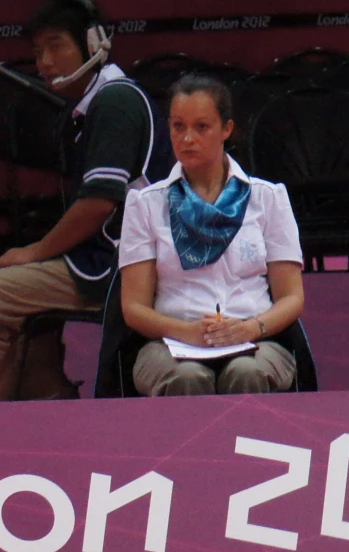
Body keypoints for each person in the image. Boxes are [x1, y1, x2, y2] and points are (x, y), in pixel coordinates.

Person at [0, 0, 160, 404]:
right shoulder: (97, 102)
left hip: (120, 265)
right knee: (24, 305)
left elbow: (99, 203)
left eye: (56, 46)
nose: (44, 61)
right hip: (114, 256)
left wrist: (35, 252)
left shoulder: (114, 102)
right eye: (37, 50)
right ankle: (46, 402)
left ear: (95, 44)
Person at [118, 73, 305, 395]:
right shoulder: (145, 204)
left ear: (227, 129)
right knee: (188, 378)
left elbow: (291, 297)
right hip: (172, 343)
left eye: (201, 127)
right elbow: (133, 307)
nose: (188, 138)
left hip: (255, 338)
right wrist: (185, 332)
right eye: (179, 126)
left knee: (246, 373)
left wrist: (250, 328)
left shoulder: (268, 198)